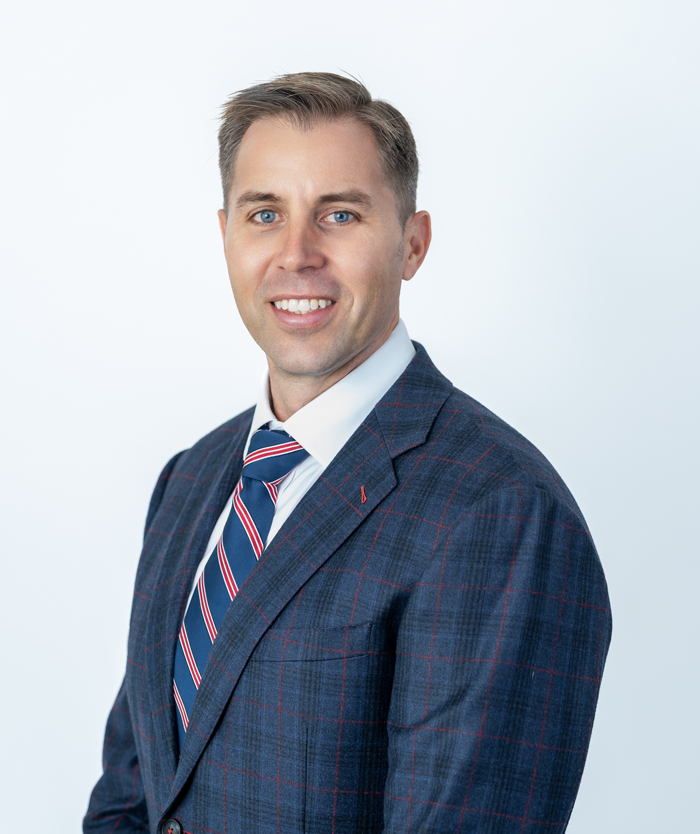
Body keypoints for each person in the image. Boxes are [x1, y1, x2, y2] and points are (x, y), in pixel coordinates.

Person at [84, 72, 612, 834]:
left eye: (339, 214)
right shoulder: (190, 479)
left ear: (412, 243)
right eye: (265, 214)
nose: (297, 254)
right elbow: (133, 796)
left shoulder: (500, 514)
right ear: (226, 234)